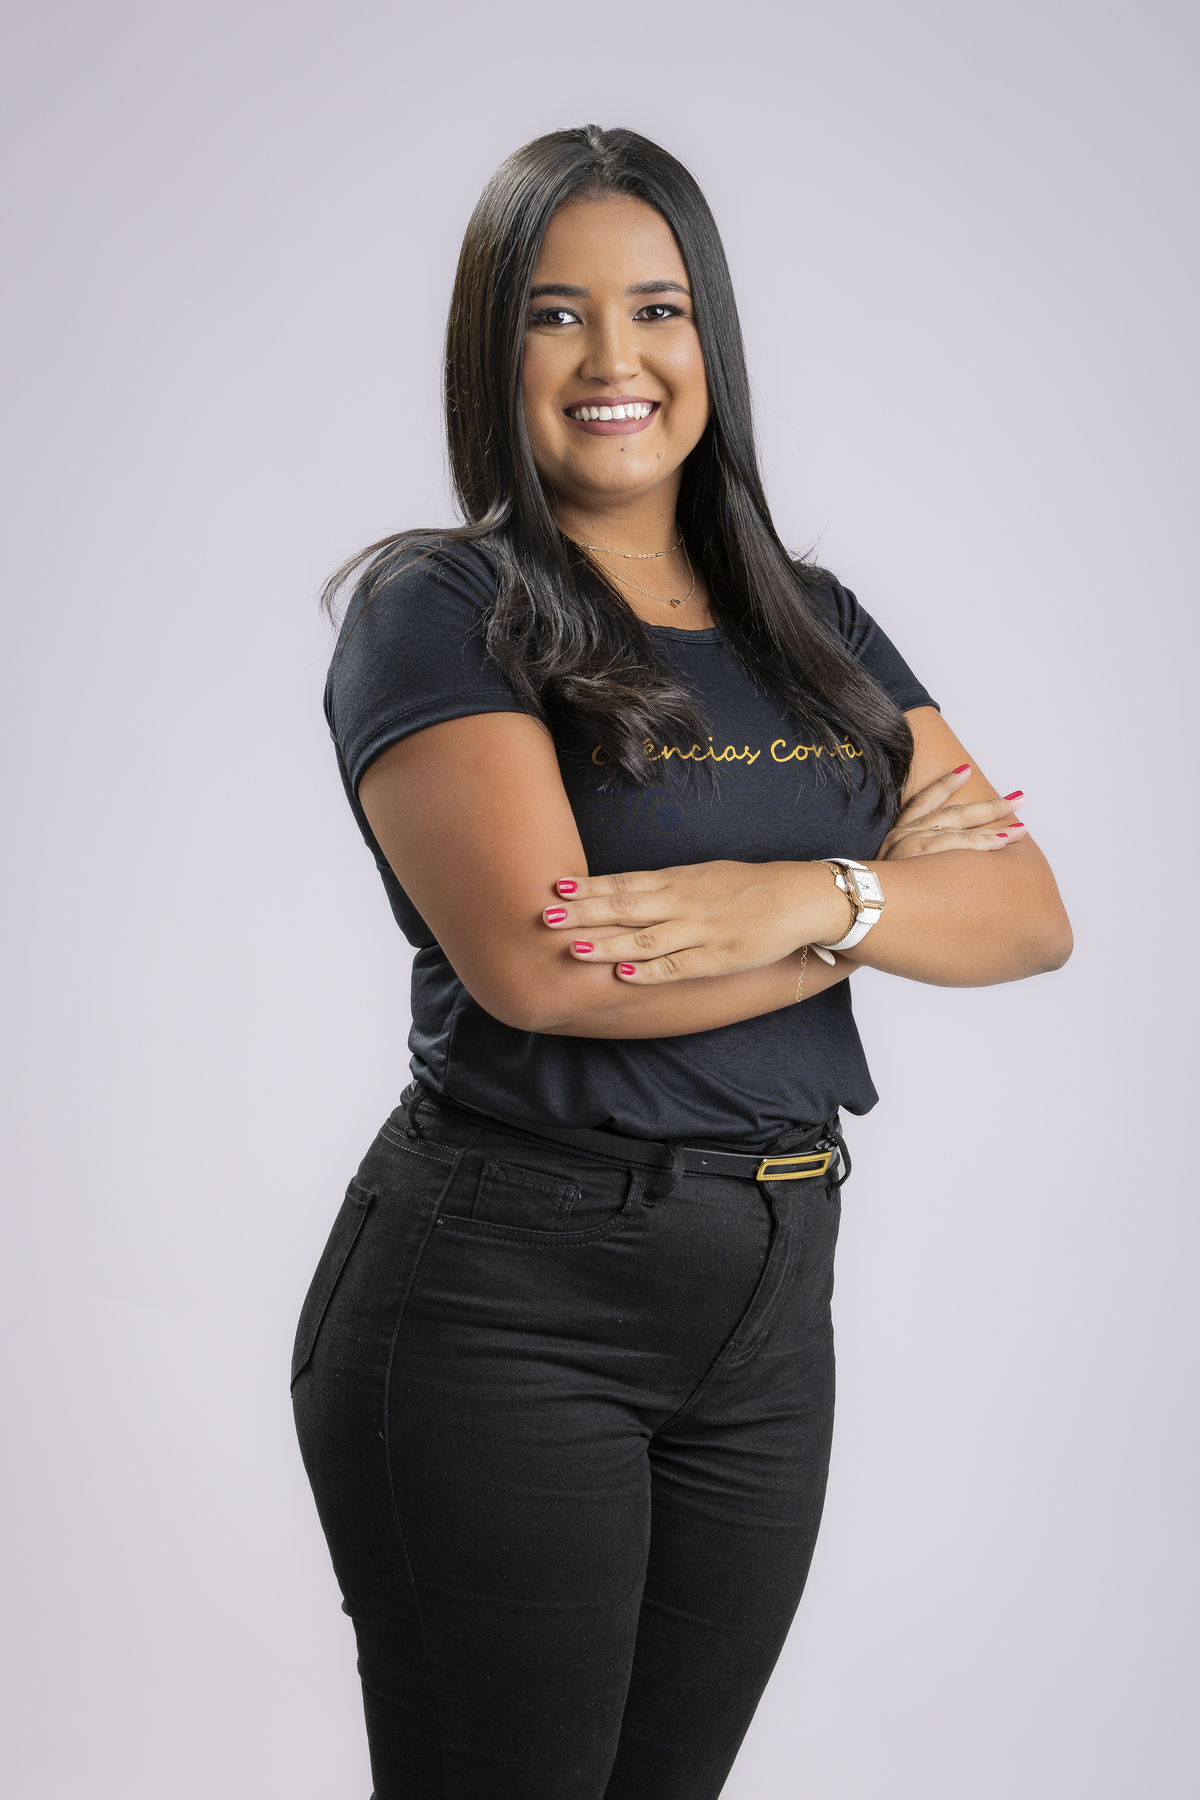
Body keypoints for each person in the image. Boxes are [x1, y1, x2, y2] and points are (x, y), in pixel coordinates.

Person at [291, 125, 1072, 1800]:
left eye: (658, 309)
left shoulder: (814, 622)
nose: (614, 360)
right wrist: (868, 908)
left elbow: (1023, 915)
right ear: (491, 349)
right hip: (511, 1293)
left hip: (774, 1292)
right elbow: (550, 972)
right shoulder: (447, 607)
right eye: (555, 314)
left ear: (710, 333)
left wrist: (792, 896)